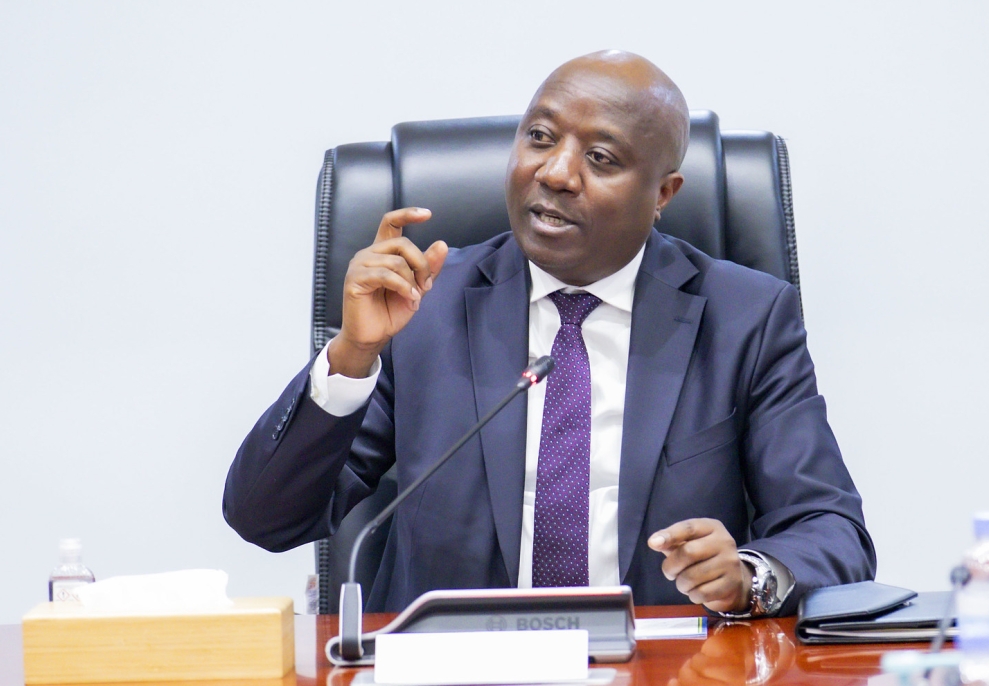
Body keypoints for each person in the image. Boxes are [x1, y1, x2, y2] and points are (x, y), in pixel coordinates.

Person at [224, 50, 875, 618]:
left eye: (600, 157)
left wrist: (749, 578)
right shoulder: (424, 308)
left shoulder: (744, 318)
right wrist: (352, 354)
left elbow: (828, 528)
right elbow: (266, 518)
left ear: (662, 193)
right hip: (455, 667)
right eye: (539, 137)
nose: (557, 172)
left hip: (663, 666)